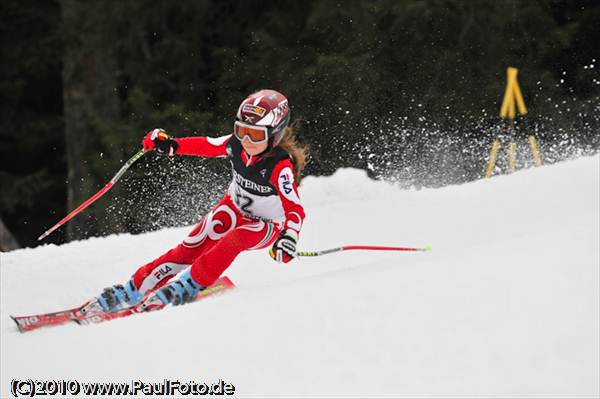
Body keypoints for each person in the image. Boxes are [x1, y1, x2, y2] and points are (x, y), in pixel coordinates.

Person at [95, 89, 308, 312]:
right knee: (193, 245)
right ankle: (134, 288)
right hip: (234, 208)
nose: (246, 140)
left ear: (275, 135)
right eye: (241, 130)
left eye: (255, 135)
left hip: (267, 225)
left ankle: (189, 285)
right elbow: (207, 145)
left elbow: (295, 209)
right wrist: (171, 146)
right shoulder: (235, 144)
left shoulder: (280, 167)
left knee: (236, 238)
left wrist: (289, 237)